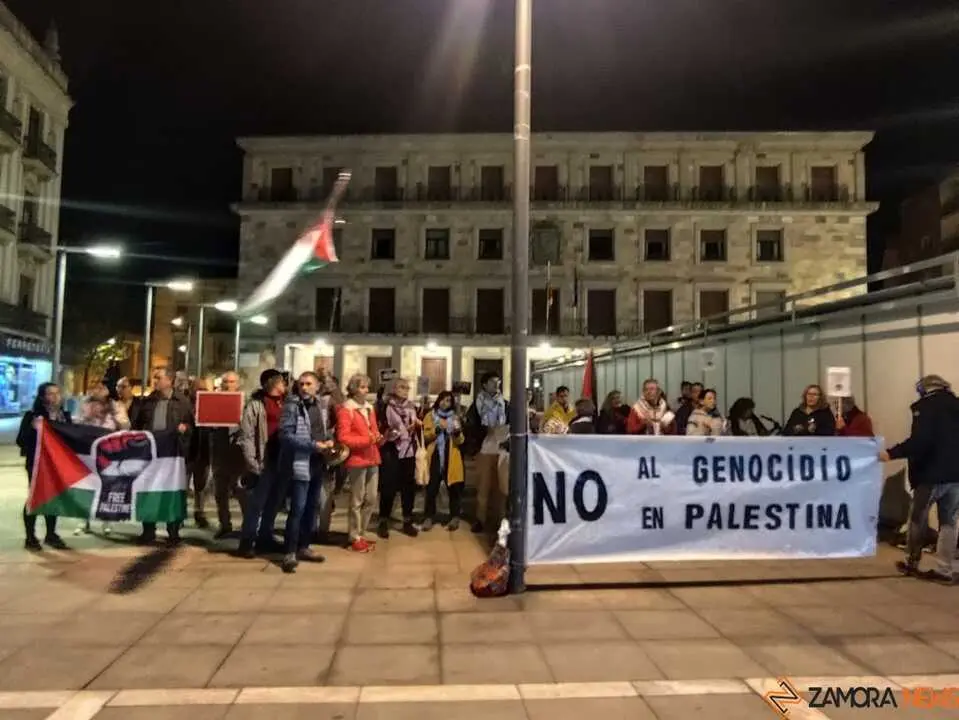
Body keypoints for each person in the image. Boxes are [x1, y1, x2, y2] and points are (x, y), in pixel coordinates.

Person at [880, 374, 959, 585]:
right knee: (949, 522)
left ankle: (912, 561)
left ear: (925, 389)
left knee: (917, 518)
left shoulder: (924, 407)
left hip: (931, 473)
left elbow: (920, 441)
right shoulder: (956, 405)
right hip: (955, 474)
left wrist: (892, 453)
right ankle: (945, 569)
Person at [132, 367, 193, 546]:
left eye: (158, 378)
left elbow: (192, 426)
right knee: (148, 491)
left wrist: (185, 429)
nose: (155, 381)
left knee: (172, 492)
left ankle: (173, 532)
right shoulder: (147, 402)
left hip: (173, 456)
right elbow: (137, 425)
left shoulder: (182, 402)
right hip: (151, 454)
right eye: (154, 378)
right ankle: (148, 530)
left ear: (169, 380)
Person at [278, 371, 332, 573]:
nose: (304, 387)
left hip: (317, 462)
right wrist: (312, 445)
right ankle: (290, 551)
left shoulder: (319, 405)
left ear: (317, 386)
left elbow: (322, 430)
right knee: (297, 509)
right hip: (300, 463)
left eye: (309, 384)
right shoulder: (292, 406)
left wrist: (328, 440)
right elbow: (286, 436)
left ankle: (304, 546)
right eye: (301, 384)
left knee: (311, 508)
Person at [237, 369, 288, 557]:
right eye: (281, 381)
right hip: (263, 460)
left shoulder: (286, 402)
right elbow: (247, 435)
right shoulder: (256, 405)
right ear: (273, 383)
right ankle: (247, 541)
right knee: (256, 503)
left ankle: (265, 537)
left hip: (281, 459)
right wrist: (252, 461)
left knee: (274, 502)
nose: (285, 384)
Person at [16, 383, 71, 550]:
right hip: (37, 464)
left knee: (53, 498)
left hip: (56, 464)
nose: (55, 397)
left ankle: (51, 535)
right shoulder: (32, 416)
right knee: (35, 498)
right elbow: (20, 441)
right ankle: (30, 537)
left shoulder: (64, 416)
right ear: (42, 397)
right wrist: (33, 430)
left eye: (57, 393)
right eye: (50, 393)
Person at [336, 373, 382, 553]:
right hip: (357, 458)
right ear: (354, 389)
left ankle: (361, 533)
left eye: (367, 387)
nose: (366, 390)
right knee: (357, 499)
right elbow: (343, 437)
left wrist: (378, 437)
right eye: (362, 387)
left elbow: (374, 430)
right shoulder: (346, 409)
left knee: (371, 498)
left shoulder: (369, 408)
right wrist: (367, 440)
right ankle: (354, 536)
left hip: (372, 456)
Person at [378, 377, 421, 539]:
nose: (405, 390)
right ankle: (383, 520)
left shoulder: (411, 406)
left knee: (408, 487)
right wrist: (392, 432)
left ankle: (407, 520)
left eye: (407, 387)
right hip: (391, 450)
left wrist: (415, 426)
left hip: (408, 450)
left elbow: (414, 425)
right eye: (402, 387)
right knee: (388, 487)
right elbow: (381, 427)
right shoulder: (385, 406)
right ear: (394, 389)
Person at [422, 391, 465, 531]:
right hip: (434, 456)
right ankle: (429, 516)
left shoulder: (455, 418)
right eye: (443, 399)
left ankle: (455, 517)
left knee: (454, 488)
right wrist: (437, 430)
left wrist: (457, 432)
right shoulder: (430, 416)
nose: (445, 403)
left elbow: (461, 441)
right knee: (431, 488)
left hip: (451, 457)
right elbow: (425, 437)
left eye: (448, 401)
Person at [473, 371, 508, 533]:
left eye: (498, 382)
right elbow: (472, 426)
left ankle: (500, 519)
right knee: (483, 487)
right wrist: (484, 431)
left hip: (502, 450)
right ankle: (480, 519)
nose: (496, 385)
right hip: (485, 449)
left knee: (501, 488)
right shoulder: (477, 404)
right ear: (484, 385)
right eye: (493, 382)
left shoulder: (505, 404)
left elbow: (511, 422)